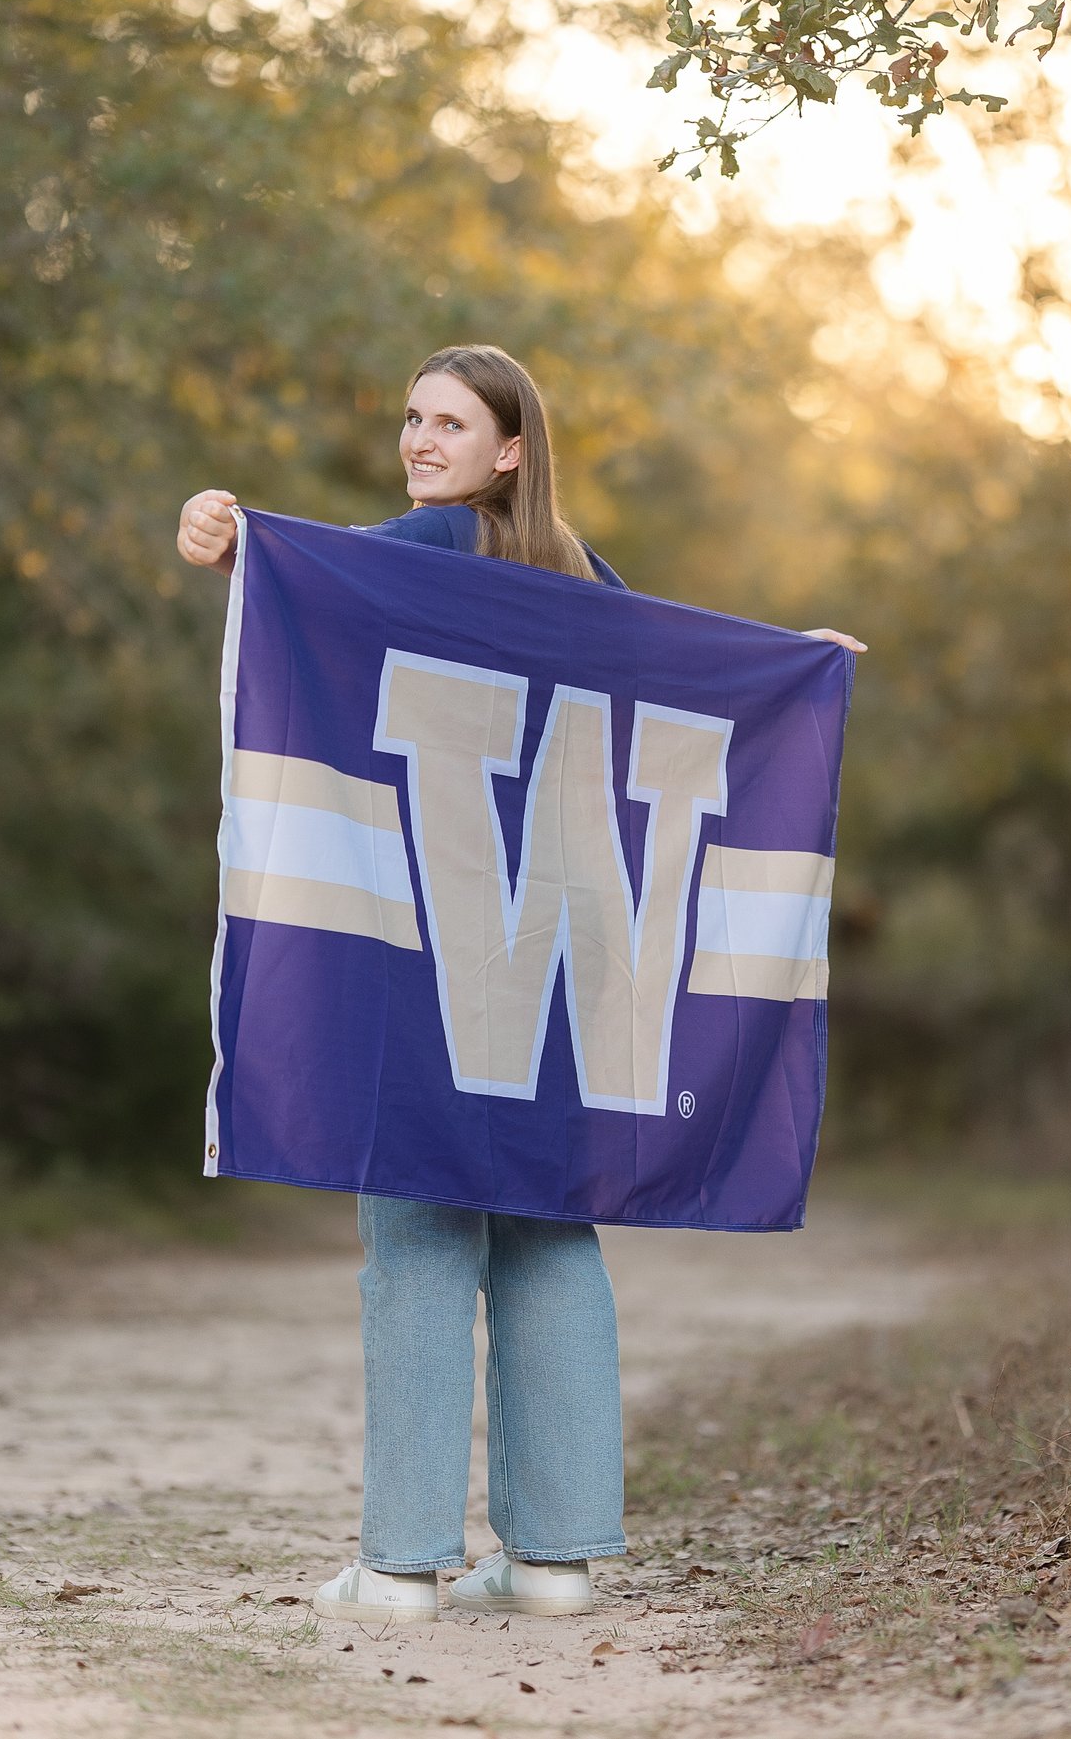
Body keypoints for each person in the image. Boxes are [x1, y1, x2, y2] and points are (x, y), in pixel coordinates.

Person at [173, 343, 863, 1627]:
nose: (417, 441)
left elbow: (315, 580)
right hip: (562, 985)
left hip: (440, 960)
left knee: (420, 1223)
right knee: (552, 1218)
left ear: (508, 450)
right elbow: (674, 668)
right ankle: (553, 1562)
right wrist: (792, 665)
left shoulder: (428, 550)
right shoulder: (573, 576)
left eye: (448, 422)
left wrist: (231, 540)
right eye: (408, 416)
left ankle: (399, 1565)